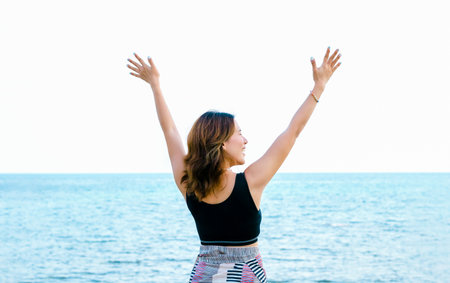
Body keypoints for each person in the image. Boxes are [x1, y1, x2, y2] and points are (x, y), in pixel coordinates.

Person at [127, 47, 341, 282]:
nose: (245, 139)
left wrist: (155, 86)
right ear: (222, 144)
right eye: (239, 133)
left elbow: (170, 133)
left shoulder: (188, 184)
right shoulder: (250, 181)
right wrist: (319, 86)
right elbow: (292, 132)